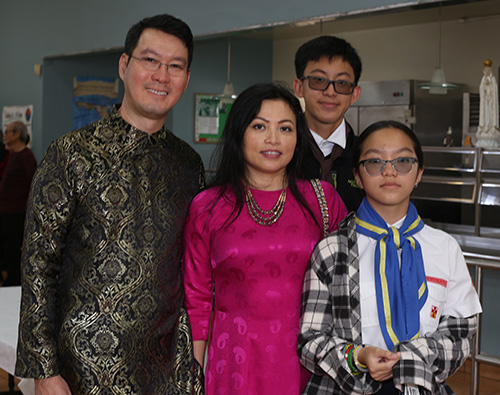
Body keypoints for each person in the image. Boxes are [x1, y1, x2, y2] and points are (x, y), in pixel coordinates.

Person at [15, 14, 204, 394]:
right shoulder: (70, 154)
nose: (161, 76)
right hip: (81, 367)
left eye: (175, 66)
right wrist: (44, 370)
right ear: (124, 65)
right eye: (150, 60)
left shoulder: (188, 165)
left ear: (185, 78)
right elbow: (38, 266)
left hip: (166, 370)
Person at [183, 83, 348, 394]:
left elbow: (349, 284)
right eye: (259, 126)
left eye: (285, 128)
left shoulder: (322, 199)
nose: (273, 139)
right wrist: (195, 375)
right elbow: (197, 299)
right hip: (234, 358)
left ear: (298, 137)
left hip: (308, 358)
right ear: (238, 133)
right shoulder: (208, 206)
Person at [298, 120, 482, 394]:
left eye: (403, 161)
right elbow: (310, 340)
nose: (389, 171)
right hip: (344, 387)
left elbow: (461, 332)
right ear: (358, 176)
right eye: (374, 162)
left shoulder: (444, 247)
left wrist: (409, 358)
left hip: (421, 386)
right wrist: (357, 356)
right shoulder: (332, 250)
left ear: (419, 173)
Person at [294, 35, 364, 212]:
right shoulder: (281, 151)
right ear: (299, 88)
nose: (330, 92)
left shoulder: (366, 155)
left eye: (342, 83)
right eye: (319, 80)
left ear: (354, 94)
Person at [0, 121, 36, 286]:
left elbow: (33, 184)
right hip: (5, 210)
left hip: (16, 213)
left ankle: (13, 282)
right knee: (5, 250)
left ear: (16, 134)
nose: (5, 135)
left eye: (7, 132)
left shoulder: (26, 157)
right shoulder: (12, 154)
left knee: (12, 250)